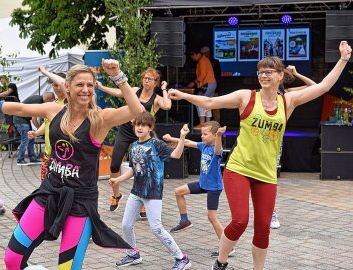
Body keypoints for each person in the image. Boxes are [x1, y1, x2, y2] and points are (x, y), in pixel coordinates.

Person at [168, 41, 351, 270]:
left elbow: (323, 86)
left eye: (269, 71)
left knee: (263, 226)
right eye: (260, 72)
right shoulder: (246, 97)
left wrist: (343, 59)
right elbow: (210, 102)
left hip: (266, 174)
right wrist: (184, 96)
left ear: (280, 76)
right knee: (240, 220)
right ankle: (221, 263)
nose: (263, 75)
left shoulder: (288, 101)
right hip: (239, 169)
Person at [0, 59, 144, 269]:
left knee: (67, 267)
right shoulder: (54, 110)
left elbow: (136, 110)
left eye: (89, 85)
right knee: (12, 259)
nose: (85, 89)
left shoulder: (99, 119)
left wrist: (118, 76)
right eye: (80, 84)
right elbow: (21, 108)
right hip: (49, 193)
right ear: (67, 87)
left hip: (80, 203)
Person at [108, 111, 191, 269]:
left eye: (143, 125)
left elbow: (176, 154)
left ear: (150, 127)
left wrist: (182, 137)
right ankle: (133, 253)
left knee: (156, 228)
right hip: (136, 192)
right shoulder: (133, 146)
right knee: (126, 225)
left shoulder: (156, 144)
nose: (139, 128)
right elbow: (134, 169)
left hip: (153, 193)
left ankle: (181, 258)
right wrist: (118, 179)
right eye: (137, 125)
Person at [97, 67, 171, 217]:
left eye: (150, 79)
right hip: (126, 129)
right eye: (145, 77)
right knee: (114, 163)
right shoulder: (136, 90)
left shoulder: (156, 98)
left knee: (143, 168)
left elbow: (167, 105)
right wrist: (101, 87)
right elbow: (119, 92)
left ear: (155, 82)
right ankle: (116, 195)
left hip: (143, 134)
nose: (146, 80)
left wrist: (164, 89)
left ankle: (144, 201)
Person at [163, 121, 234, 258]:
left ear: (214, 135)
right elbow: (189, 142)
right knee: (178, 191)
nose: (202, 136)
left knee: (212, 217)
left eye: (205, 134)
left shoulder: (215, 149)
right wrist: (172, 139)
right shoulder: (204, 146)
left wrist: (219, 135)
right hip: (203, 184)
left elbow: (218, 150)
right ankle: (185, 220)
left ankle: (228, 248)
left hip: (214, 187)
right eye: (202, 134)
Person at [271, 64, 317, 230]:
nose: (266, 77)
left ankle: (271, 212)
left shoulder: (287, 94)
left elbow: (315, 86)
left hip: (275, 140)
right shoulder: (259, 94)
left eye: (271, 73)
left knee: (270, 179)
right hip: (254, 140)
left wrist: (297, 74)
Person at [27, 67, 67, 181]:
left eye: (60, 84)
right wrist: (36, 133)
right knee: (45, 185)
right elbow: (47, 123)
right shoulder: (52, 103)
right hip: (48, 152)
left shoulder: (72, 104)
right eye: (55, 85)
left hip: (64, 154)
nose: (58, 88)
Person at [14, 92, 55, 166]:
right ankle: (20, 159)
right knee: (25, 139)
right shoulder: (38, 102)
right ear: (48, 99)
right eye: (51, 102)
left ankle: (32, 158)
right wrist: (41, 130)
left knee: (31, 138)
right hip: (20, 120)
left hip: (24, 119)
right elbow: (34, 120)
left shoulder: (38, 98)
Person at [187, 49, 217, 128]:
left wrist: (193, 83)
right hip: (211, 84)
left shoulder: (202, 61)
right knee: (208, 103)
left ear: (195, 54)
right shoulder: (203, 60)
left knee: (199, 101)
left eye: (192, 57)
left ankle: (202, 124)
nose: (192, 59)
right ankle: (208, 124)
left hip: (207, 84)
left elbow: (202, 76)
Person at [200, 46, 222, 122]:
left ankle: (217, 123)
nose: (205, 54)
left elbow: (218, 74)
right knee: (206, 105)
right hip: (206, 86)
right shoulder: (202, 61)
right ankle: (207, 123)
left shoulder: (215, 62)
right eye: (203, 53)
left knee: (215, 105)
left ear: (209, 52)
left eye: (206, 53)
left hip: (213, 85)